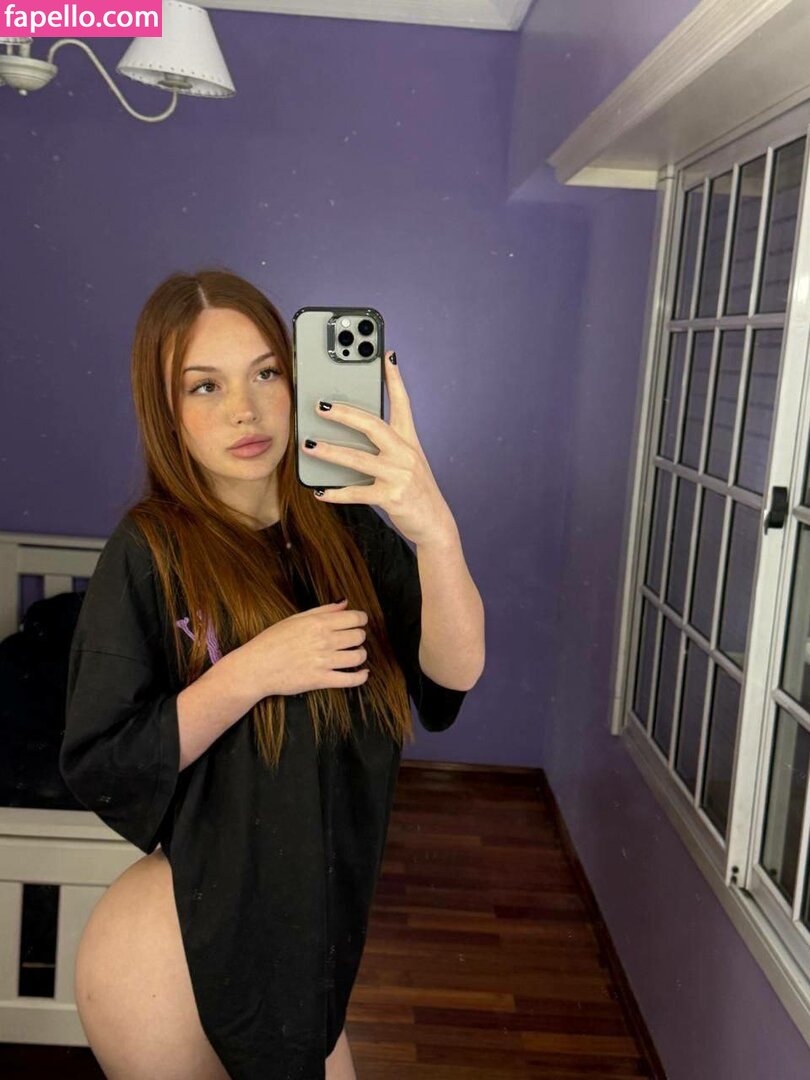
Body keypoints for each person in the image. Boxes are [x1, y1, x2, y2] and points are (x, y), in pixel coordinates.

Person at [59, 268, 485, 1079]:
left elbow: (451, 675)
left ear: (297, 380)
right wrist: (252, 671)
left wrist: (435, 529)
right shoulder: (150, 551)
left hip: (309, 946)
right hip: (172, 950)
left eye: (265, 373)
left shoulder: (351, 532)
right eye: (204, 386)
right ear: (166, 412)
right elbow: (104, 762)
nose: (245, 411)